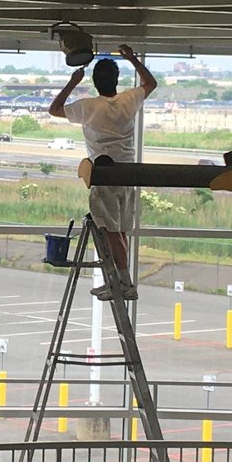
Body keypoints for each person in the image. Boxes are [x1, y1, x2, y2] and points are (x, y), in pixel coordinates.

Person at [51, 44, 158, 299]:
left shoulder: (88, 106)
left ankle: (123, 283)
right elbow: (151, 83)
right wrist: (132, 58)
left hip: (103, 173)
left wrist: (72, 81)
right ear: (116, 80)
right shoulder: (128, 100)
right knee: (119, 230)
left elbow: (54, 109)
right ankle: (119, 280)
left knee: (110, 233)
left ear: (95, 82)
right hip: (128, 173)